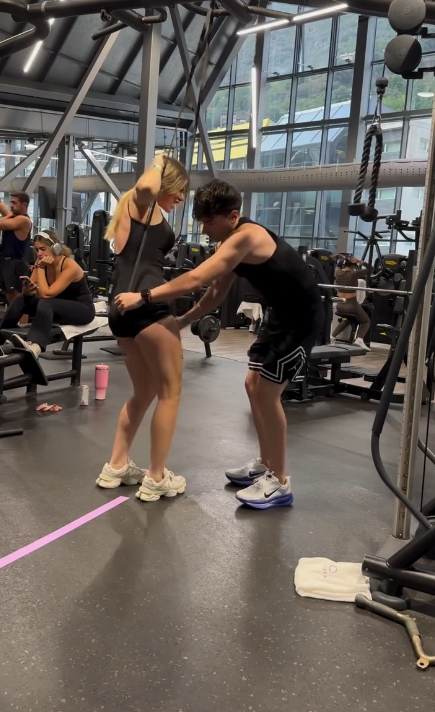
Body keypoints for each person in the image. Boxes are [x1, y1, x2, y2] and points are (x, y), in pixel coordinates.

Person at [114, 179, 324, 510]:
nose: (204, 230)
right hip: (280, 316)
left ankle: (280, 481)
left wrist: (144, 296)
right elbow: (216, 290)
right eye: (201, 222)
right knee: (253, 385)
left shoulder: (247, 237)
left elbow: (197, 278)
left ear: (233, 216)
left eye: (209, 222)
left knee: (267, 394)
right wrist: (184, 320)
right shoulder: (230, 241)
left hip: (302, 320)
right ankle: (266, 464)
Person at [96, 154, 189, 503]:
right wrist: (160, 159)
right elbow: (147, 186)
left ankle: (116, 465)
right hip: (147, 307)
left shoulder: (132, 211)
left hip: (121, 309)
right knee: (170, 393)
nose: (182, 197)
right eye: (179, 189)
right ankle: (156, 477)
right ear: (166, 182)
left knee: (146, 391)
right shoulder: (142, 204)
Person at [0, 230, 95, 358]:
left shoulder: (69, 265)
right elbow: (31, 289)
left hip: (82, 309)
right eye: (37, 250)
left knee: (46, 302)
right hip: (56, 307)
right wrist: (27, 291)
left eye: (43, 249)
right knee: (20, 300)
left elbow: (46, 295)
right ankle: (1, 340)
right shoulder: (41, 263)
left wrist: (40, 268)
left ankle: (35, 345)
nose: (39, 253)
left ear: (55, 247)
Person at [331, 255, 371, 351]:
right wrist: (360, 261)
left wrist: (341, 260)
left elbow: (338, 265)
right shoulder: (354, 274)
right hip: (351, 305)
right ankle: (359, 339)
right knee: (366, 321)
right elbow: (371, 269)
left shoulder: (338, 273)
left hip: (340, 305)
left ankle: (332, 336)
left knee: (348, 319)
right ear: (353, 266)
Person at [0, 192, 32, 305]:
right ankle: (12, 316)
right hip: (6, 261)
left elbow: (1, 223)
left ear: (24, 205)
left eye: (14, 203)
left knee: (17, 298)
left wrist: (6, 216)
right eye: (11, 202)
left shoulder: (24, 220)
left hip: (16, 264)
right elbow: (4, 209)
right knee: (9, 296)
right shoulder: (14, 218)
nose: (11, 205)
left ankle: (21, 317)